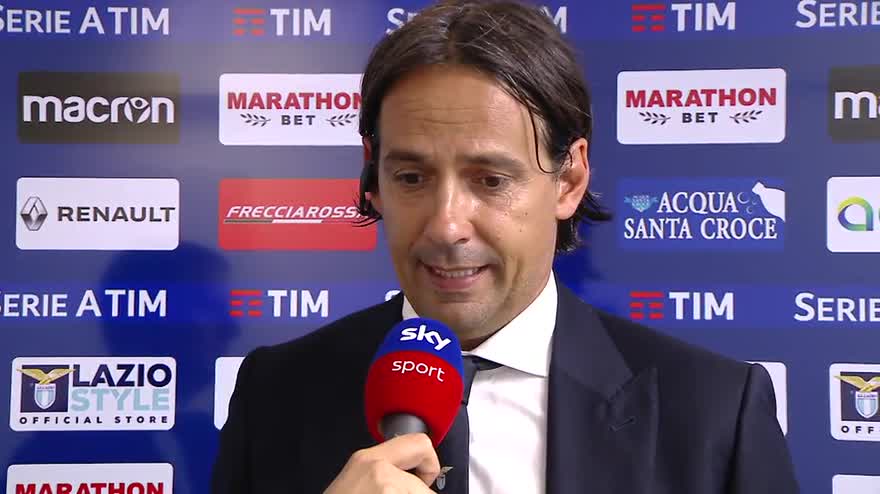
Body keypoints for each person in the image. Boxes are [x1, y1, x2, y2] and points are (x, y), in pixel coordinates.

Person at [211, 0, 800, 492]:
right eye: (411, 177)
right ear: (374, 175)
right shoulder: (275, 396)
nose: (446, 226)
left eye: (490, 180)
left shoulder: (715, 412)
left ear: (568, 179)